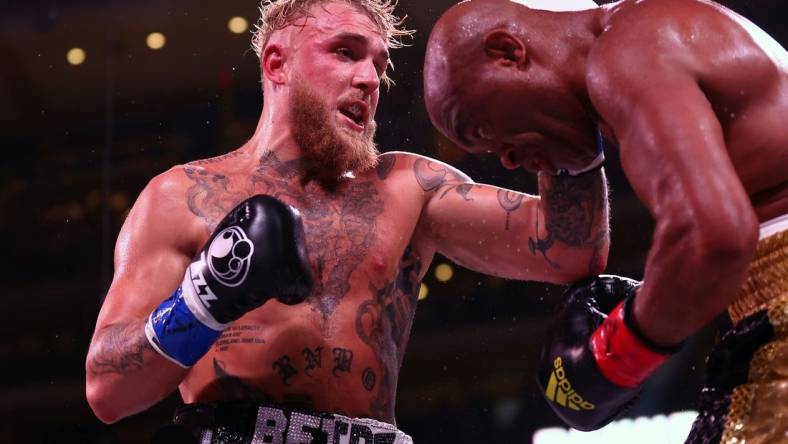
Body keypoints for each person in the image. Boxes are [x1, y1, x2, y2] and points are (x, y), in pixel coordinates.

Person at [84, 0, 611, 442]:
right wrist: (207, 296)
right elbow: (108, 389)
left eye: (379, 66)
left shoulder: (408, 187)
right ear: (276, 63)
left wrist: (567, 139)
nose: (368, 79)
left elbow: (569, 251)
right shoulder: (184, 197)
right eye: (345, 53)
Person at [423, 0, 788, 442]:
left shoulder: (625, 50)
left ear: (508, 51)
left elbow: (713, 235)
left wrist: (615, 353)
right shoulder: (647, 38)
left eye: (479, 130)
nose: (507, 157)